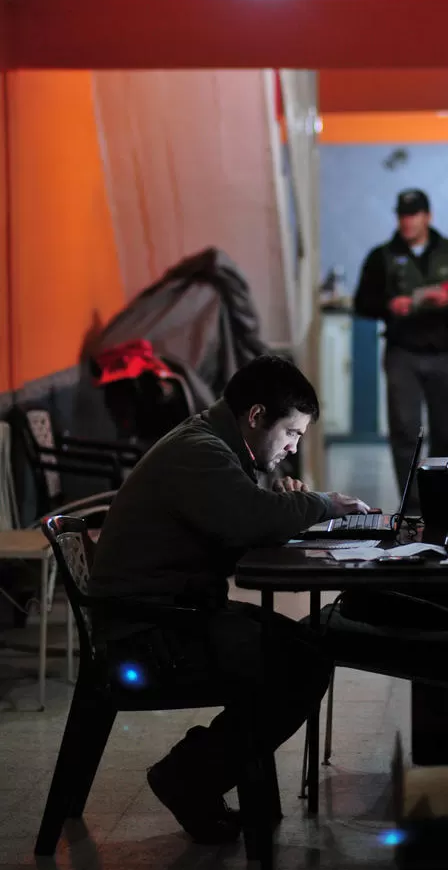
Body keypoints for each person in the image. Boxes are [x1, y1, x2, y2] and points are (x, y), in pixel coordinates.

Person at [89, 354, 369, 844]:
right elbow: (246, 520)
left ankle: (194, 772)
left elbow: (241, 519)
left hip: (170, 614)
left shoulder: (213, 443)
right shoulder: (201, 451)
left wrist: (280, 502)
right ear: (256, 416)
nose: (292, 446)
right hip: (146, 634)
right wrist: (320, 503)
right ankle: (187, 776)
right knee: (298, 667)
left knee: (306, 647)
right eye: (291, 433)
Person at [354, 188, 448, 501]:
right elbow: (362, 302)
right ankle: (410, 503)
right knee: (404, 433)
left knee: (446, 431)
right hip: (403, 354)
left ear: (427, 216)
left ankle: (440, 497)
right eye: (402, 215)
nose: (407, 221)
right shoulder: (381, 256)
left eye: (413, 214)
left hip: (445, 354)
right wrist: (390, 305)